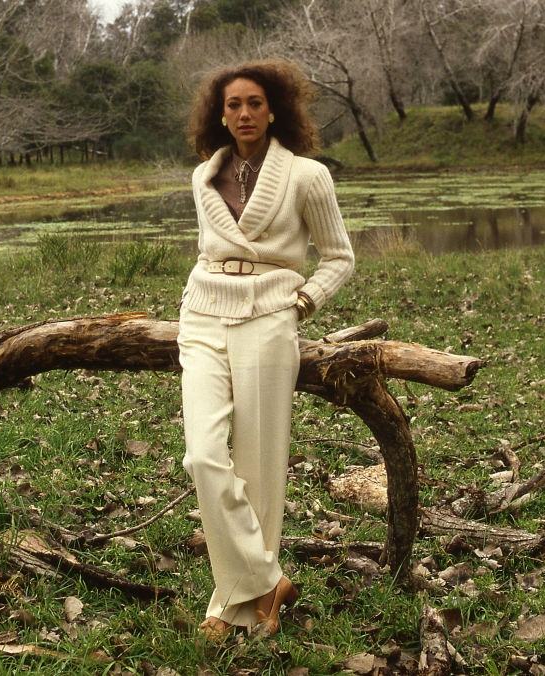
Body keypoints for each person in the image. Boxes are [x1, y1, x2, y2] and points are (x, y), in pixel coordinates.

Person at [177, 59, 355, 640]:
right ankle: (267, 578)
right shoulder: (204, 175)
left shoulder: (307, 176)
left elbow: (339, 258)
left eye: (254, 103)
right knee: (203, 456)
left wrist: (304, 303)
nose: (244, 113)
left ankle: (235, 608)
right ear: (220, 114)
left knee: (258, 466)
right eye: (233, 105)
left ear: (274, 109)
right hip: (203, 312)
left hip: (270, 316)